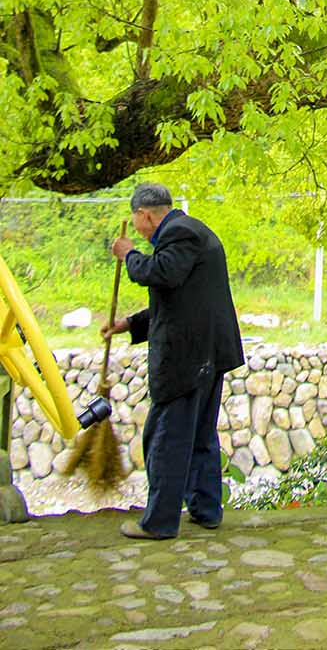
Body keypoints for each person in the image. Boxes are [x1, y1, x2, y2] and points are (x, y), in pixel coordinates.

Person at [103, 183, 244, 540]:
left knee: (166, 437)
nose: (138, 230)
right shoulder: (191, 233)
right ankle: (206, 509)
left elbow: (161, 274)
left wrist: (129, 255)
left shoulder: (180, 233)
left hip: (188, 357)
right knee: (198, 435)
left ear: (144, 215)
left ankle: (160, 521)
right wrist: (129, 325)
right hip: (206, 353)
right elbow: (177, 302)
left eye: (138, 223)